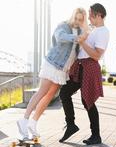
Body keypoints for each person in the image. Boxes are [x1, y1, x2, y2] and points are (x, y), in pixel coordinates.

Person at [17, 8, 89, 140]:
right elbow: (59, 37)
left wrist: (83, 34)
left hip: (62, 70)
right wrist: (76, 38)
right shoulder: (63, 26)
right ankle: (24, 120)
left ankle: (33, 123)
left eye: (81, 20)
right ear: (73, 16)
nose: (78, 21)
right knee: (42, 92)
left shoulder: (80, 31)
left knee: (49, 95)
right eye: (77, 18)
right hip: (52, 64)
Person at [59, 3, 109, 145]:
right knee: (65, 93)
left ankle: (95, 135)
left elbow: (97, 55)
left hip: (89, 67)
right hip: (81, 67)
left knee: (88, 101)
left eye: (91, 15)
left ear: (99, 15)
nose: (90, 19)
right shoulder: (94, 30)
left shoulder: (103, 31)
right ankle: (71, 125)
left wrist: (83, 42)